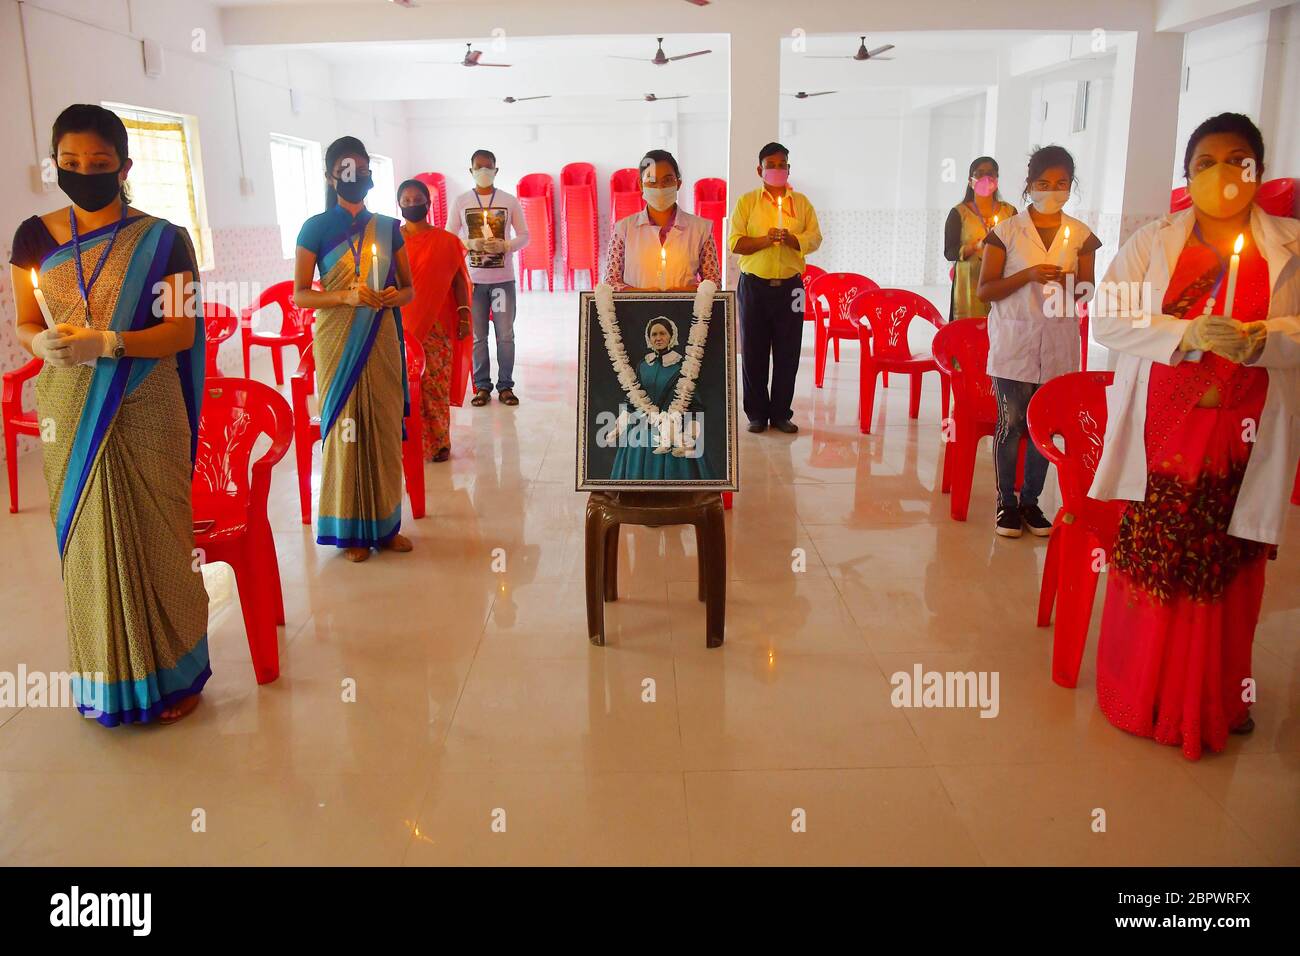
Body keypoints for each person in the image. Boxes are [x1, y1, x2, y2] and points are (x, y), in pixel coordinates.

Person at [1089, 113, 1300, 761]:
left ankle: (1215, 698)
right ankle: (1142, 693)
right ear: (1188, 174)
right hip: (1166, 429)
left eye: (1236, 160)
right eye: (1205, 162)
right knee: (1160, 556)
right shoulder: (1157, 242)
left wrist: (1266, 338)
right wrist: (1185, 334)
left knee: (1225, 562)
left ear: (1257, 172)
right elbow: (1108, 319)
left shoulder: (1288, 244)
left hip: (1244, 437)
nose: (1222, 175)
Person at [8, 104, 208, 725]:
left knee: (161, 537)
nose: (84, 172)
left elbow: (180, 332)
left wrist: (111, 342)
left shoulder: (165, 238)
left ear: (124, 166)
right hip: (68, 407)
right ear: (55, 163)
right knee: (88, 543)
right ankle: (107, 679)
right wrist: (39, 344)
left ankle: (175, 676)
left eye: (98, 163)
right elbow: (26, 321)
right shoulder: (33, 238)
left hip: (147, 401)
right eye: (70, 163)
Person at [293, 136, 414, 563]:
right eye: (347, 170)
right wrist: (346, 297)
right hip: (336, 336)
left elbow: (408, 289)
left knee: (380, 426)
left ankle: (386, 524)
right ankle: (351, 532)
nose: (355, 177)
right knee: (346, 428)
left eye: (362, 170)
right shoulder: (315, 227)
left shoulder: (387, 227)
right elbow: (301, 296)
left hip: (379, 334)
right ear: (331, 175)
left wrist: (388, 297)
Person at [977, 144, 1099, 538]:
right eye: (1044, 183)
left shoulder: (1080, 235)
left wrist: (1068, 282)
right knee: (1012, 424)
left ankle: (1031, 501)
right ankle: (1006, 503)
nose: (1053, 190)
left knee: (1044, 428)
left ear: (1070, 187)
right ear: (1029, 186)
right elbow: (986, 291)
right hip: (1014, 342)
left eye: (1061, 183)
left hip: (1059, 344)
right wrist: (1028, 275)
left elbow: (1086, 291)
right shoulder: (1006, 233)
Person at [728, 142, 822, 435]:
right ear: (760, 170)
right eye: (772, 165)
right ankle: (756, 413)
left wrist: (793, 240)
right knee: (754, 350)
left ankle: (781, 413)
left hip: (792, 288)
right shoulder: (747, 202)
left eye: (783, 165)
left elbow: (815, 238)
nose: (777, 170)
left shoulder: (802, 203)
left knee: (788, 351)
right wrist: (765, 240)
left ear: (789, 169)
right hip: (754, 286)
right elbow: (735, 243)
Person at [447, 148, 530, 407]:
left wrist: (506, 246)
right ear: (471, 171)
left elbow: (524, 235)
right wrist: (469, 243)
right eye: (478, 167)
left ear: (496, 170)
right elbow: (450, 237)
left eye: (488, 166)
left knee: (505, 334)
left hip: (502, 281)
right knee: (478, 335)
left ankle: (506, 385)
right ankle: (481, 386)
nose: (483, 171)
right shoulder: (461, 201)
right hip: (474, 281)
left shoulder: (509, 200)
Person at [397, 179, 472, 463]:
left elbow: (458, 281)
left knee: (435, 385)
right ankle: (411, 442)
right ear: (399, 204)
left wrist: (464, 312)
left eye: (418, 199)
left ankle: (440, 442)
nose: (412, 204)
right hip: (401, 326)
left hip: (439, 325)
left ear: (428, 204)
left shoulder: (446, 241)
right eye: (406, 199)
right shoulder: (392, 240)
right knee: (406, 386)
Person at [608, 317, 713, 481]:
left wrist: (691, 436)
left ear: (671, 336)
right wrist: (619, 426)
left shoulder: (683, 367)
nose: (658, 338)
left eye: (662, 333)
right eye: (654, 334)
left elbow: (694, 406)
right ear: (648, 338)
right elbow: (632, 400)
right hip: (643, 428)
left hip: (674, 429)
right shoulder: (643, 365)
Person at [603, 149, 720, 292]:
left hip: (685, 311)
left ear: (678, 183)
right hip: (636, 311)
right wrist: (644, 295)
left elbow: (713, 282)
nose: (660, 187)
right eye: (651, 181)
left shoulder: (701, 229)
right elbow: (610, 282)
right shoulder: (623, 229)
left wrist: (681, 293)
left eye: (667, 180)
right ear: (641, 185)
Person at [944, 156, 1017, 321]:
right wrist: (975, 246)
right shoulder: (959, 213)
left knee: (998, 329)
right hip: (968, 284)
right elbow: (949, 253)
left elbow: (1017, 246)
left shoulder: (1009, 212)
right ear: (971, 181)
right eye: (980, 173)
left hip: (1001, 279)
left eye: (991, 173)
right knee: (969, 332)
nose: (986, 178)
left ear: (997, 180)